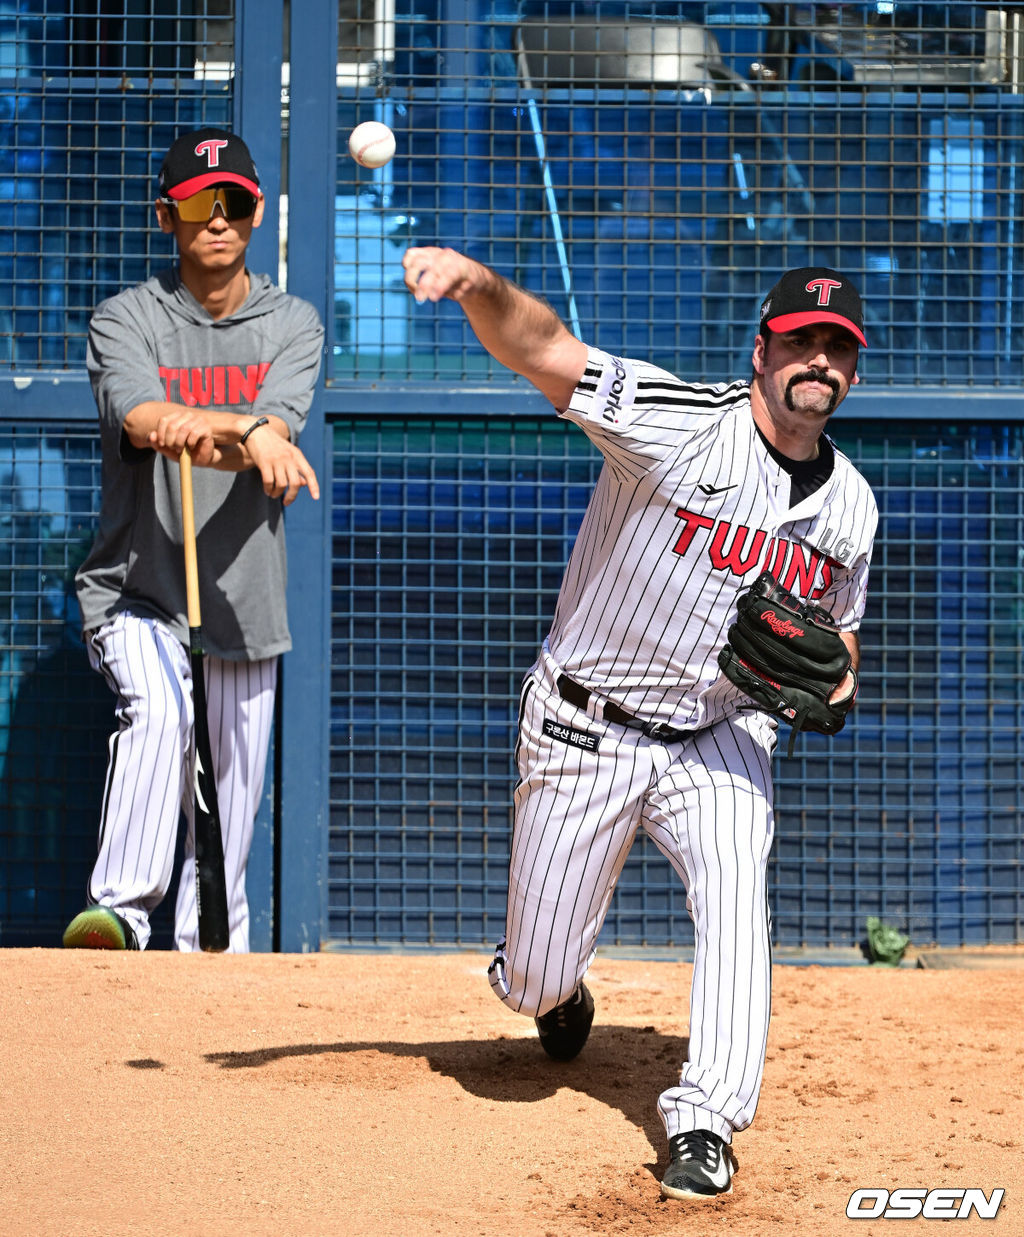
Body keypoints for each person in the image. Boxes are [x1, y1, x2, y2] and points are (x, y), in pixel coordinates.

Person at [401, 247, 876, 1199]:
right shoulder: (675, 422)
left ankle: (706, 1119)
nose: (817, 359)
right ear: (761, 352)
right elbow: (545, 349)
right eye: (800, 341)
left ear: (853, 369)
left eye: (836, 346)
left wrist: (835, 688)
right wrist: (478, 287)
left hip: (718, 734)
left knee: (736, 878)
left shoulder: (852, 508)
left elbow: (841, 647)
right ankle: (557, 986)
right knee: (530, 980)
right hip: (589, 722)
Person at [63, 128, 323, 953]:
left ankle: (206, 961)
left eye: (236, 203)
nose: (218, 221)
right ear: (165, 217)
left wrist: (245, 431)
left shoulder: (292, 323)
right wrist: (247, 428)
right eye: (198, 205)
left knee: (231, 805)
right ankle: (123, 912)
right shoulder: (126, 319)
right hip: (136, 591)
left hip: (243, 601)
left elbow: (271, 434)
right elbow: (142, 418)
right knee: (161, 710)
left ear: (255, 215)